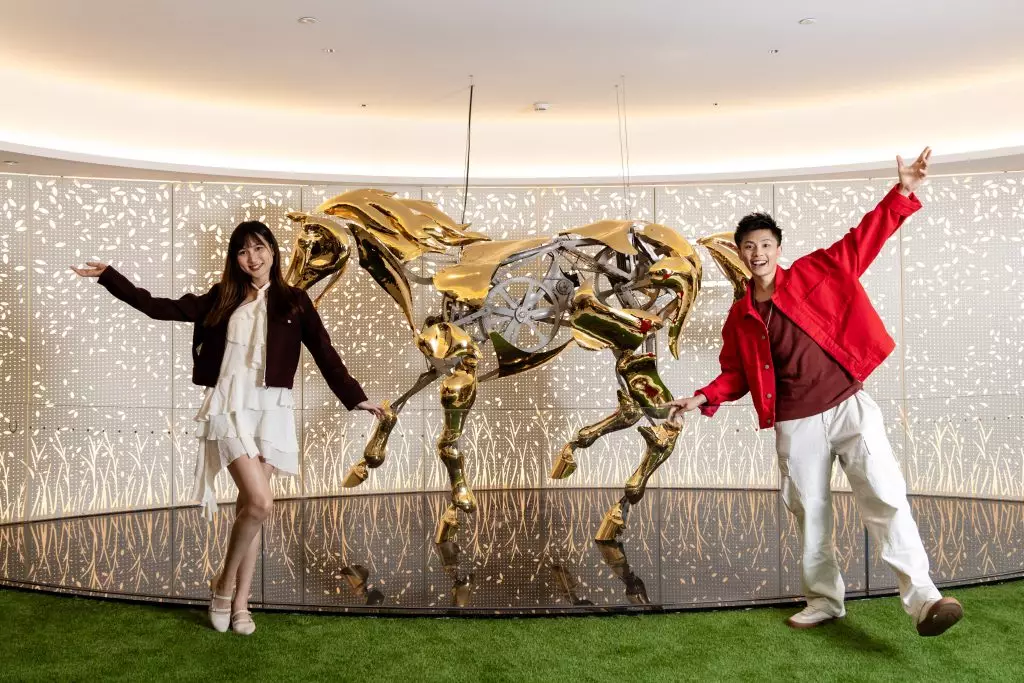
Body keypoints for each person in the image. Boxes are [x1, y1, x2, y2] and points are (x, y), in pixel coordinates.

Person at [666, 147, 963, 637]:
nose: (757, 253)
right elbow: (736, 373)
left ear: (778, 249)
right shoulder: (740, 316)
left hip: (849, 405)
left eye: (765, 244)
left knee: (885, 496)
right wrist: (701, 398)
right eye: (748, 246)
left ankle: (926, 600)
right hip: (795, 421)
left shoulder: (817, 270)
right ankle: (824, 601)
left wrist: (903, 190)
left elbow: (866, 238)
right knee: (810, 512)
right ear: (739, 254)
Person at [72, 221, 384, 636]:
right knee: (261, 502)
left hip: (271, 409)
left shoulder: (295, 301)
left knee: (250, 510)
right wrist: (111, 277)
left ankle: (240, 603)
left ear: (273, 251)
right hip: (228, 406)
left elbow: (325, 352)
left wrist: (356, 397)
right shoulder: (222, 297)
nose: (252, 258)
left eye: (259, 248)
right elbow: (158, 307)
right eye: (243, 251)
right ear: (235, 259)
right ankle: (222, 587)